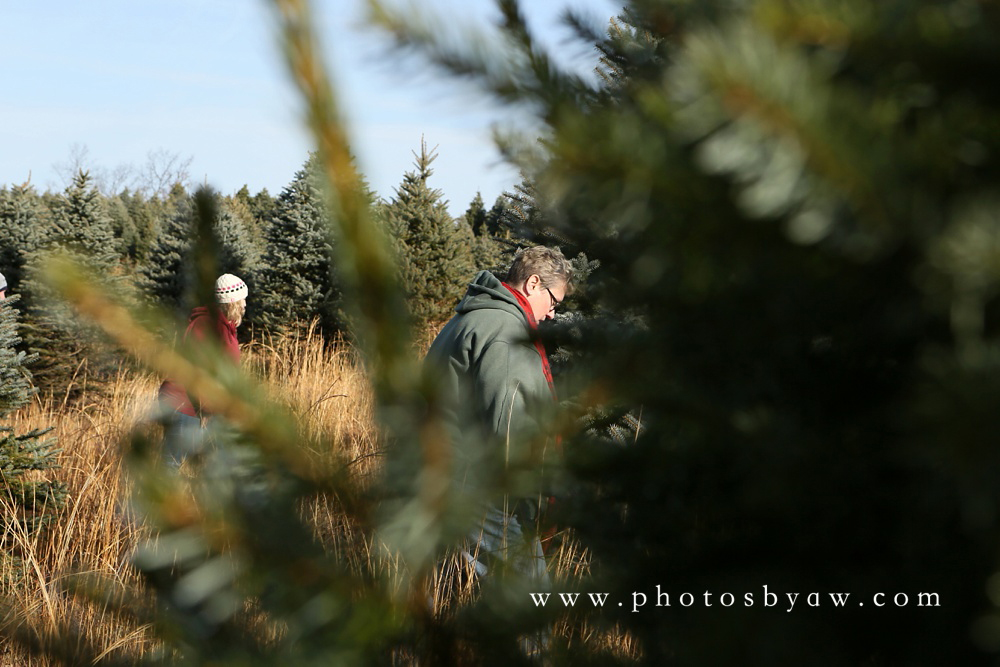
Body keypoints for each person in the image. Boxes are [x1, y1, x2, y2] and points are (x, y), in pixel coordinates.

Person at [424, 246, 573, 591]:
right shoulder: (507, 332)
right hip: (485, 497)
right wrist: (535, 505)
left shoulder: (470, 316)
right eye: (554, 302)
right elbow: (511, 432)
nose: (552, 314)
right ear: (534, 283)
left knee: (443, 602)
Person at [157, 273, 247, 466]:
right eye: (242, 299)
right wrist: (207, 409)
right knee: (172, 463)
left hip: (199, 403)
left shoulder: (223, 326)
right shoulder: (208, 325)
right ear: (232, 302)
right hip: (183, 402)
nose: (245, 304)